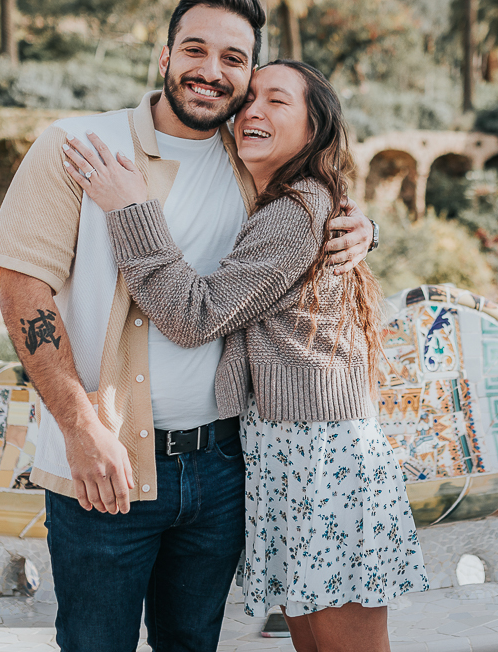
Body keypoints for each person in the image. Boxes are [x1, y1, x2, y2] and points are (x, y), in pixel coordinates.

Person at [0, 0, 375, 652]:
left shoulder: (252, 160)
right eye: (195, 49)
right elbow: (24, 293)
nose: (211, 71)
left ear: (248, 75)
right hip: (103, 465)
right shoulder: (80, 146)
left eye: (233, 59)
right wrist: (79, 427)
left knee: (192, 644)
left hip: (222, 465)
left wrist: (362, 226)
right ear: (164, 55)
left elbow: (311, 206)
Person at [61, 59, 428, 652]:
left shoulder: (293, 210)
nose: (252, 109)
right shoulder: (279, 201)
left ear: (314, 130)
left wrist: (129, 208)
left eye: (277, 101)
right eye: (249, 97)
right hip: (290, 453)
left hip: (322, 459)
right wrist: (369, 226)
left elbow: (194, 316)